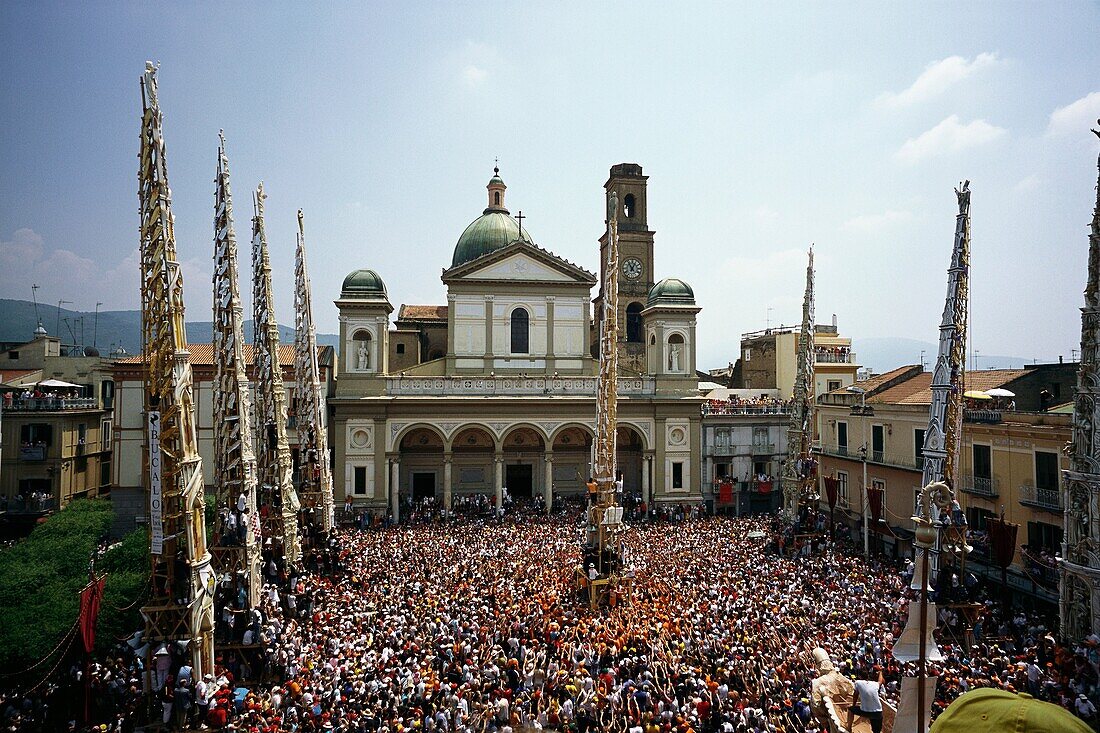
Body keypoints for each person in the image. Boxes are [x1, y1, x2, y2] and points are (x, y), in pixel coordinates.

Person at [850, 667, 884, 733]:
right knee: (876, 731)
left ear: (859, 676)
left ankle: (849, 728)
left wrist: (853, 705)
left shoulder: (858, 682)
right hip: (878, 712)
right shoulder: (875, 684)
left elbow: (855, 695)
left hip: (865, 711)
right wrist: (880, 672)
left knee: (851, 710)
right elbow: (880, 681)